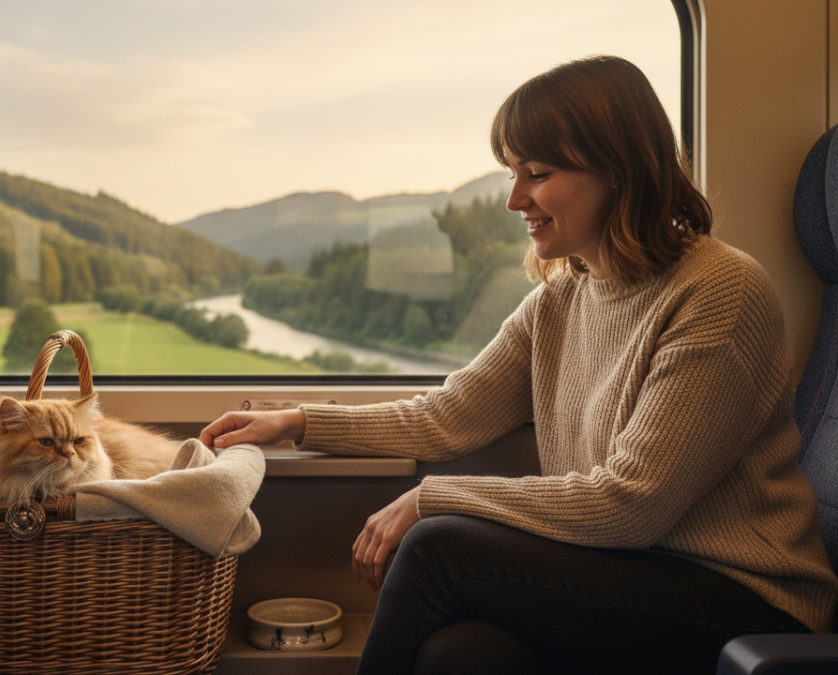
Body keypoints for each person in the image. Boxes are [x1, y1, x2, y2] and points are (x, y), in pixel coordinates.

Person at [199, 55, 838, 674]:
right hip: (638, 574)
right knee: (458, 656)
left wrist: (431, 498)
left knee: (437, 549)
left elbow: (631, 503)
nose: (514, 199)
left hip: (745, 601)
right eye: (512, 172)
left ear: (618, 170)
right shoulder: (560, 300)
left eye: (536, 173)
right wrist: (298, 421)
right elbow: (444, 418)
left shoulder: (719, 291)